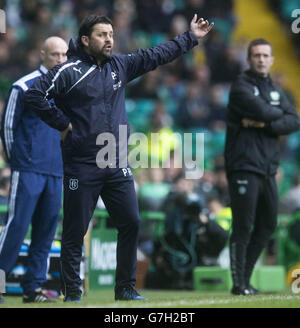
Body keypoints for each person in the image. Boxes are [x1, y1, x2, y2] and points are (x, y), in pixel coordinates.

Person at [24, 14, 214, 302]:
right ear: (86, 40)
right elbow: (34, 95)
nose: (110, 39)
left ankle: (125, 287)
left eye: (111, 34)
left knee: (131, 223)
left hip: (115, 162)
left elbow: (156, 55)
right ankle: (73, 290)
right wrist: (62, 124)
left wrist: (190, 38)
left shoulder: (120, 65)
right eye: (102, 34)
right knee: (75, 230)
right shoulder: (68, 71)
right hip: (81, 165)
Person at [224, 38, 300, 295]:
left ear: (272, 59)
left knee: (268, 225)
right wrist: (271, 117)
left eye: (266, 55)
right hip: (244, 165)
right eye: (256, 55)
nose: (261, 59)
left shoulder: (275, 89)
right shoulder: (240, 86)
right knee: (243, 225)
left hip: (268, 167)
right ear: (249, 59)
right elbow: (266, 112)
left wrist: (264, 123)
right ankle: (238, 284)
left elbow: (294, 120)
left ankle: (245, 280)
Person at [0, 37, 68, 304]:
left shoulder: (68, 91)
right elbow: (7, 126)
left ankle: (33, 288)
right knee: (16, 227)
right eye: (55, 54)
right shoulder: (23, 86)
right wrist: (17, 160)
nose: (60, 60)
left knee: (46, 231)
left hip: (55, 170)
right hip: (28, 169)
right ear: (42, 55)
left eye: (64, 54)